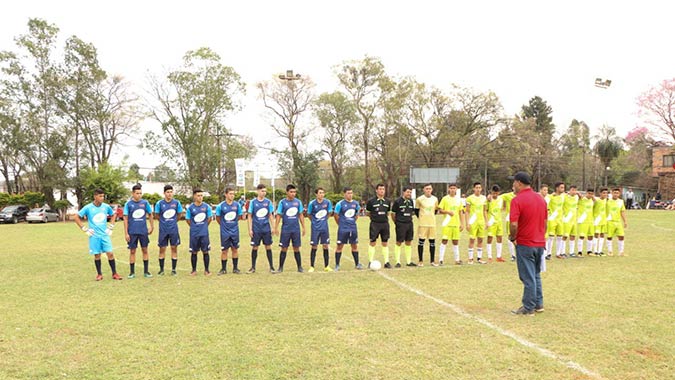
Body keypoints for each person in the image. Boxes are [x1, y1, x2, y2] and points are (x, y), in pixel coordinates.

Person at [508, 172, 546, 316]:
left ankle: (528, 307)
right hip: (539, 242)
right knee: (535, 274)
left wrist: (513, 237)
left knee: (527, 276)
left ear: (519, 183)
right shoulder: (541, 199)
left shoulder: (517, 200)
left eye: (514, 183)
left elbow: (513, 223)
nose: (513, 186)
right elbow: (545, 222)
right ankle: (538, 303)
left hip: (525, 242)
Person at [74, 188, 122, 281]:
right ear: (95, 196)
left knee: (110, 253)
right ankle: (99, 274)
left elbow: (113, 215)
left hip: (104, 235)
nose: (102, 198)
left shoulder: (106, 206)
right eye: (100, 196)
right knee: (97, 255)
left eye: (103, 196)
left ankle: (114, 273)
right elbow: (76, 217)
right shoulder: (88, 207)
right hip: (94, 236)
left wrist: (111, 227)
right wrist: (84, 229)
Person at [123, 184, 155, 279]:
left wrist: (151, 227)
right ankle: (132, 272)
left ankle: (146, 271)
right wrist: (126, 233)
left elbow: (150, 214)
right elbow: (125, 218)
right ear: (133, 193)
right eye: (137, 193)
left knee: (145, 250)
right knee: (132, 251)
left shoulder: (145, 203)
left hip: (143, 231)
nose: (139, 195)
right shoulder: (128, 204)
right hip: (132, 231)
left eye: (140, 193)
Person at [274, 184, 306, 273]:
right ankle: (280, 268)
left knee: (296, 248)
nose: (293, 194)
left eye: (294, 192)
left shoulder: (298, 202)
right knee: (284, 248)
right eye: (291, 192)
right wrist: (276, 227)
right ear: (287, 192)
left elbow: (300, 215)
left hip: (295, 229)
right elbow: (279, 215)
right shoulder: (282, 202)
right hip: (286, 229)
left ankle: (300, 267)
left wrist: (303, 227)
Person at [154, 184, 183, 276]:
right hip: (163, 230)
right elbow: (157, 215)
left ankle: (173, 269)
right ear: (164, 193)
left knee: (174, 248)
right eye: (168, 192)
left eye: (171, 192)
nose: (170, 194)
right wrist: (163, 222)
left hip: (173, 230)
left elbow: (179, 215)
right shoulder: (159, 203)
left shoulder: (176, 203)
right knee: (162, 249)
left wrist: (173, 222)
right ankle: (161, 270)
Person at [247, 184, 276, 273]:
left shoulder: (268, 202)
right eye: (262, 191)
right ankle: (253, 267)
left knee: (268, 247)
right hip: (256, 229)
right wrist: (250, 229)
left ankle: (271, 267)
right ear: (258, 191)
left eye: (265, 191)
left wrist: (273, 227)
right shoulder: (253, 202)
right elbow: (249, 216)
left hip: (266, 229)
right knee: (255, 247)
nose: (264, 193)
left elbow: (270, 215)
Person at [216, 188, 243, 275]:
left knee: (235, 249)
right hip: (225, 232)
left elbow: (239, 216)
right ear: (226, 194)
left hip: (234, 231)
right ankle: (223, 269)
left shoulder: (237, 205)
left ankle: (235, 268)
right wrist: (224, 225)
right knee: (224, 250)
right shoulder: (220, 206)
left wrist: (233, 223)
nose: (232, 195)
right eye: (230, 194)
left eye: (233, 194)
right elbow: (218, 218)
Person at [186, 188, 213, 275]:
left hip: (204, 233)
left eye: (201, 195)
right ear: (194, 196)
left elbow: (209, 219)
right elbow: (188, 219)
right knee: (194, 251)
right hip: (194, 233)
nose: (200, 197)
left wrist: (203, 226)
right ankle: (194, 270)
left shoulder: (206, 207)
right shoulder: (190, 208)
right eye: (198, 195)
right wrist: (194, 226)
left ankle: (207, 270)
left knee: (205, 251)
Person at [334, 187, 362, 271]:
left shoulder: (356, 204)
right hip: (343, 228)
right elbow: (336, 215)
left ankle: (357, 264)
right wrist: (340, 224)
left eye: (351, 193)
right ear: (344, 194)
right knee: (340, 246)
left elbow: (357, 214)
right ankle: (337, 265)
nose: (350, 195)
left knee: (354, 245)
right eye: (348, 193)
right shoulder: (340, 204)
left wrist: (352, 221)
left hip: (353, 228)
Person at [438, 183, 465, 265]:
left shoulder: (459, 200)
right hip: (447, 223)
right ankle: (440, 259)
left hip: (456, 224)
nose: (453, 190)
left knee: (455, 241)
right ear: (449, 189)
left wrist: (462, 223)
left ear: (456, 189)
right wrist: (447, 212)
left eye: (454, 188)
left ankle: (457, 259)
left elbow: (461, 212)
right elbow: (440, 210)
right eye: (451, 188)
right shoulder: (445, 199)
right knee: (444, 240)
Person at [366, 183, 392, 268]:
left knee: (385, 242)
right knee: (372, 242)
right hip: (375, 224)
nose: (382, 191)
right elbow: (368, 213)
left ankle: (386, 262)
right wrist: (375, 218)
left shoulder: (388, 201)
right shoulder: (371, 201)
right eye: (380, 189)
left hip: (385, 224)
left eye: (383, 189)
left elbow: (388, 212)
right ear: (376, 190)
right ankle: (370, 261)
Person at [307, 187, 333, 272]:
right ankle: (312, 266)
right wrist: (315, 221)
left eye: (323, 193)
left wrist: (324, 219)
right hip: (315, 228)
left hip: (324, 227)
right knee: (314, 245)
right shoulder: (312, 203)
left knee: (325, 245)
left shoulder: (327, 202)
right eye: (320, 193)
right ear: (316, 194)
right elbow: (309, 214)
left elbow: (329, 212)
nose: (322, 194)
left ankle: (326, 266)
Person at [390, 186, 417, 268]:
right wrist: (397, 222)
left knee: (408, 241)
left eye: (410, 192)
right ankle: (398, 261)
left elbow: (412, 212)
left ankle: (408, 261)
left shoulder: (411, 201)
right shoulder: (398, 201)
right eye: (408, 192)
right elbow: (393, 214)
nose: (409, 194)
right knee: (399, 241)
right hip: (400, 224)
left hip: (409, 223)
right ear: (403, 192)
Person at [415, 183, 439, 266]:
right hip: (423, 224)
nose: (428, 190)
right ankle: (420, 261)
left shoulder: (435, 199)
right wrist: (422, 218)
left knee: (432, 242)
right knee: (421, 241)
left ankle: (432, 261)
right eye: (427, 189)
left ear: (432, 190)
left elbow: (435, 210)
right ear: (424, 190)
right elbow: (416, 211)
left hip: (432, 224)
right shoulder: (419, 199)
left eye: (430, 189)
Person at [465, 182, 488, 264]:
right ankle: (470, 258)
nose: (478, 189)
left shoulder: (484, 198)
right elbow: (467, 211)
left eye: (479, 187)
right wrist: (467, 223)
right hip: (473, 222)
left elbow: (485, 210)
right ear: (473, 189)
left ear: (481, 189)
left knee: (480, 239)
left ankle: (479, 258)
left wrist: (486, 222)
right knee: (472, 239)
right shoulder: (469, 198)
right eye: (476, 188)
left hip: (481, 222)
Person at [486, 185, 505, 262]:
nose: (495, 195)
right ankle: (489, 256)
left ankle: (499, 256)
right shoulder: (489, 200)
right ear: (491, 192)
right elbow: (485, 210)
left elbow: (503, 206)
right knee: (490, 238)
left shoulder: (501, 199)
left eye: (496, 193)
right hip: (491, 221)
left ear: (499, 193)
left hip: (499, 221)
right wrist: (487, 221)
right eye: (493, 193)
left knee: (499, 237)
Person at [606, 188, 628, 256]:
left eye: (617, 193)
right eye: (614, 192)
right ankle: (610, 251)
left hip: (618, 221)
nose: (616, 194)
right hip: (609, 221)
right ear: (611, 193)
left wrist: (625, 221)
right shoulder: (607, 201)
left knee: (621, 236)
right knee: (609, 236)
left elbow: (622, 212)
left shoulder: (621, 201)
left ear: (619, 194)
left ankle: (621, 252)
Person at [562, 185, 580, 258]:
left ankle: (571, 252)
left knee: (573, 236)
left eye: (575, 190)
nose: (574, 191)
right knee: (565, 236)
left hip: (574, 219)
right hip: (567, 219)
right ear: (569, 190)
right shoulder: (565, 196)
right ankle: (562, 252)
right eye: (572, 190)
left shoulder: (577, 197)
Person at [576, 189, 596, 256]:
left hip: (590, 220)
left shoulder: (592, 200)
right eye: (589, 193)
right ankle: (579, 252)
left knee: (590, 236)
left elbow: (596, 202)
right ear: (586, 193)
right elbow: (579, 195)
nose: (590, 195)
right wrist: (577, 193)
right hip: (583, 220)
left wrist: (593, 198)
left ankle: (589, 251)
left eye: (591, 194)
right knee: (582, 236)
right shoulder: (582, 199)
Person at [500, 189, 517, 261]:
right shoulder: (507, 195)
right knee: (510, 236)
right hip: (510, 219)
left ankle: (519, 254)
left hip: (520, 218)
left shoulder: (522, 195)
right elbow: (498, 197)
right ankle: (512, 255)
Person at [593, 188, 609, 256]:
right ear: (600, 193)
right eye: (603, 193)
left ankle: (600, 250)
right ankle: (595, 250)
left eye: (606, 193)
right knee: (596, 234)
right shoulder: (596, 200)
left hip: (603, 220)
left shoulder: (606, 200)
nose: (605, 194)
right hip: (597, 220)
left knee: (602, 235)